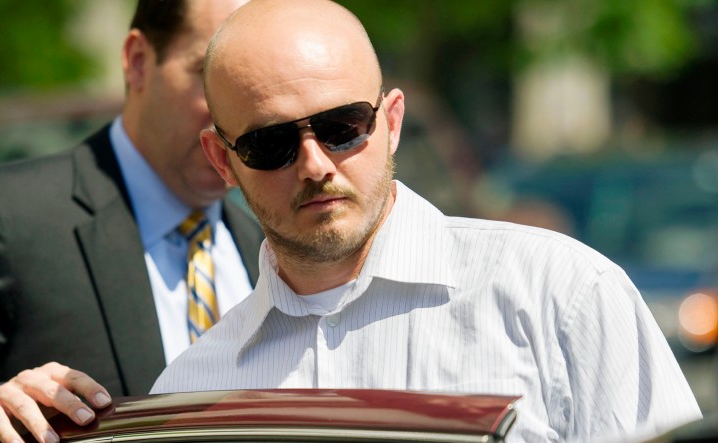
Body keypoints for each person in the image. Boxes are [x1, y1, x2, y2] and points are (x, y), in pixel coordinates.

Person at [150, 0, 702, 441]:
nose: (315, 164)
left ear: (391, 121)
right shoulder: (193, 393)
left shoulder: (560, 294)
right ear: (222, 160)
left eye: (343, 125)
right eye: (270, 143)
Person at [0, 1, 262, 442]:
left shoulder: (268, 246)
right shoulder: (2, 213)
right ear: (138, 62)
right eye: (213, 75)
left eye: (255, 86)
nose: (239, 114)